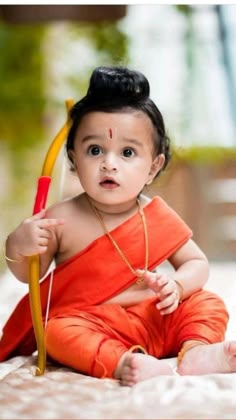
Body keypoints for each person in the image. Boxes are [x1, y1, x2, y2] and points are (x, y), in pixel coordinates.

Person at [1, 66, 236, 386]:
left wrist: (177, 286)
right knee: (57, 329)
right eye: (95, 150)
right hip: (92, 323)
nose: (109, 163)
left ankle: (195, 351)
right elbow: (30, 275)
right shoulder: (62, 218)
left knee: (207, 302)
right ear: (73, 158)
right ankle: (123, 362)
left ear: (153, 167)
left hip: (156, 318)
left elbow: (196, 263)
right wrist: (18, 244)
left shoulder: (155, 215)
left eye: (127, 152)